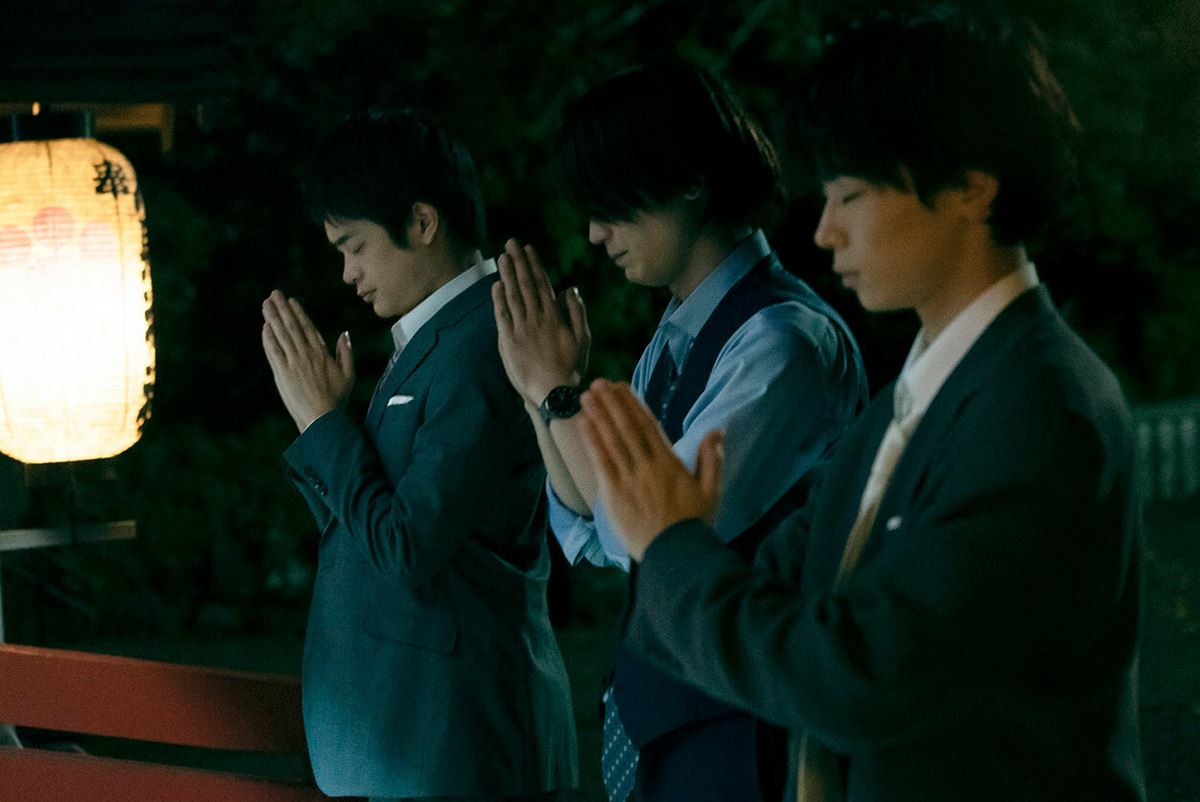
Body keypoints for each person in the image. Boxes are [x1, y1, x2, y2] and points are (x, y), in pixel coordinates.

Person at [577, 13, 1145, 802]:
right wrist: (666, 538)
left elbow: (862, 676)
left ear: (970, 188)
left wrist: (671, 545)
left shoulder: (1039, 408)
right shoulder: (908, 405)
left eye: (849, 194)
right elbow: (780, 587)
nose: (824, 231)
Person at [492, 63, 866, 802]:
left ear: (691, 180)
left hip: (742, 730)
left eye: (611, 206)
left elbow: (649, 533)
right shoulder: (677, 335)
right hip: (671, 719)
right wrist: (540, 392)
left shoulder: (781, 343)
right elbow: (589, 523)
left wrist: (556, 392)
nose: (596, 235)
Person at [260, 109, 578, 801]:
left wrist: (323, 424)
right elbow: (371, 533)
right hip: (417, 737)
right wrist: (325, 425)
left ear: (423, 223)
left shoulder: (483, 341)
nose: (347, 273)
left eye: (355, 247)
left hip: (458, 741)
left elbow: (408, 545)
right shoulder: (438, 337)